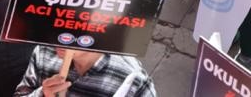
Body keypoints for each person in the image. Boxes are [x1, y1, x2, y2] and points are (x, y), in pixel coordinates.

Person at [15, 46, 156, 96]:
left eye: (75, 30)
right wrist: (42, 94)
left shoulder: (133, 79)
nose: (60, 39)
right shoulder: (44, 52)